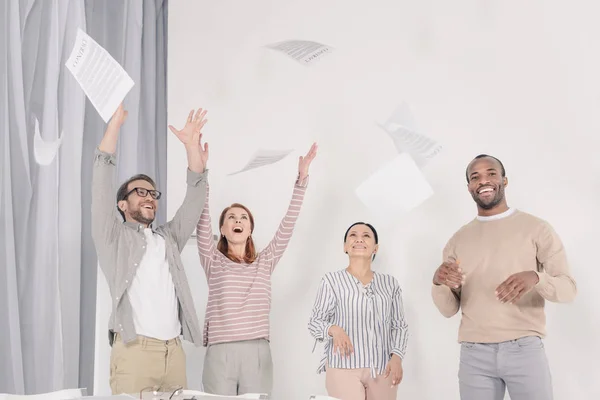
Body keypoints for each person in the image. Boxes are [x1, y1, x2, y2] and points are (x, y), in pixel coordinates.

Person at [431, 154, 577, 400]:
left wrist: (536, 277)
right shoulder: (458, 240)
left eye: (491, 173)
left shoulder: (536, 228)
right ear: (469, 187)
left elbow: (568, 289)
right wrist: (438, 282)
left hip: (524, 349)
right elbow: (448, 309)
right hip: (474, 354)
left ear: (504, 180)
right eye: (475, 177)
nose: (483, 180)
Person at [91, 105, 210, 393]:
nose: (149, 197)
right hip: (135, 352)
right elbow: (101, 182)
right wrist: (114, 126)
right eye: (140, 192)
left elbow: (195, 199)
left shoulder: (167, 238)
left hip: (174, 353)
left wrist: (192, 148)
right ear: (122, 204)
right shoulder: (113, 236)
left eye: (153, 194)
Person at [196, 143, 318, 396]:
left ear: (250, 229)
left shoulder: (265, 262)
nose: (237, 220)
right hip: (221, 351)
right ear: (223, 229)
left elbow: (288, 225)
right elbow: (202, 217)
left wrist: (301, 180)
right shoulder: (213, 260)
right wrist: (201, 172)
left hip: (258, 351)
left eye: (243, 218)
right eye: (231, 217)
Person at [308, 222, 409, 400]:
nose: (359, 239)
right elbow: (315, 322)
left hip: (382, 369)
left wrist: (397, 357)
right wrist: (334, 329)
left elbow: (399, 325)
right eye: (353, 235)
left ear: (375, 248)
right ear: (345, 247)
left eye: (366, 236)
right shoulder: (331, 281)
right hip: (342, 367)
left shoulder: (390, 283)